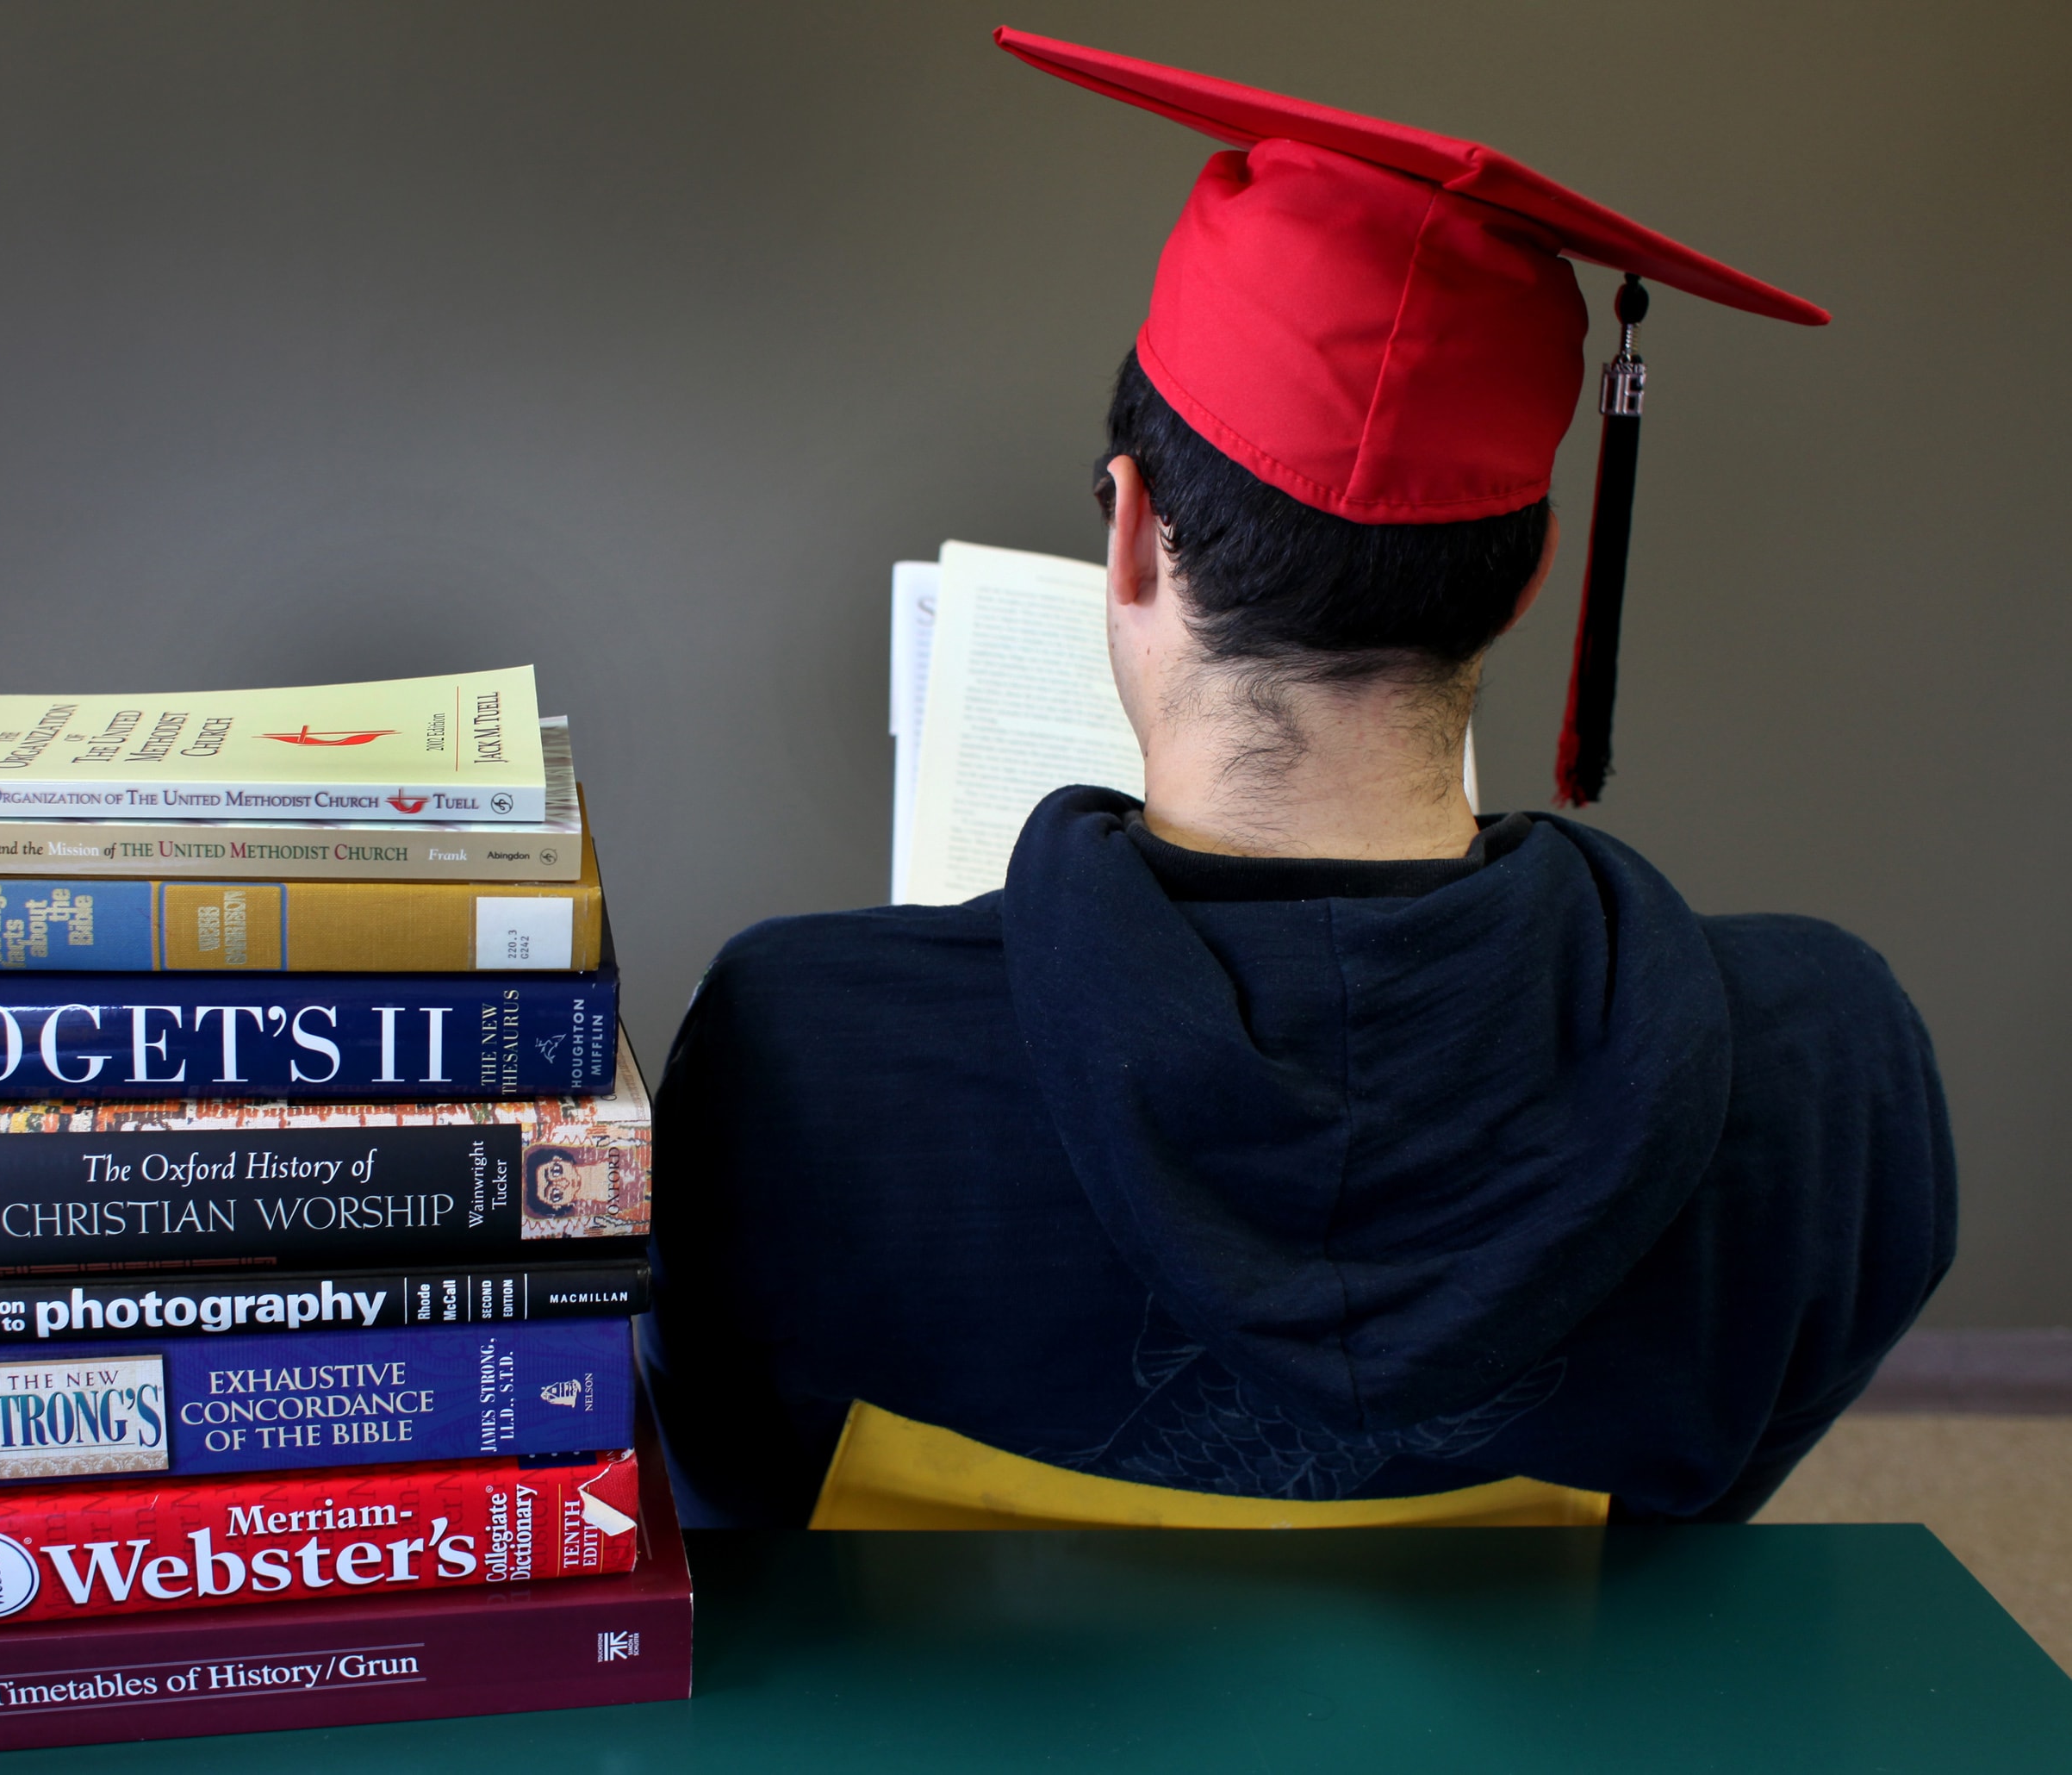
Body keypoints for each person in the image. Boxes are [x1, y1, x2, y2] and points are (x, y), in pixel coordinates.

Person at [641, 30, 1953, 1529]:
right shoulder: (1830, 1062)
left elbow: (733, 1502)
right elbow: (1704, 1513)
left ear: (1129, 536)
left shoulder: (803, 1050)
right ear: (1521, 588)